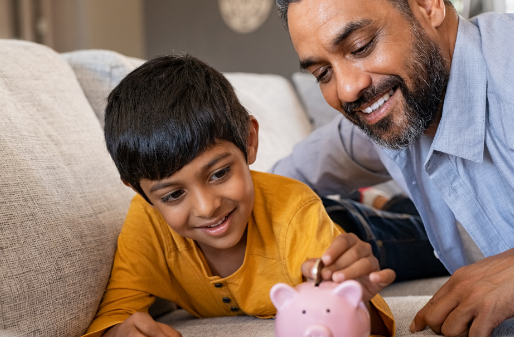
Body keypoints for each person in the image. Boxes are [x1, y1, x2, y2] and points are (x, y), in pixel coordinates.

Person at [273, 0, 514, 335]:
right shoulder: (384, 111)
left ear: (428, 4)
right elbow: (275, 185)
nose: (346, 89)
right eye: (323, 73)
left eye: (360, 46)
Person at [82, 54, 397, 337]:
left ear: (249, 140)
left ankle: (381, 203)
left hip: (346, 226)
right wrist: (119, 332)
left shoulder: (294, 211)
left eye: (219, 174)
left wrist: (355, 298)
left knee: (412, 233)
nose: (208, 207)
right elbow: (115, 314)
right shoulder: (147, 224)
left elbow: (368, 316)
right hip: (301, 215)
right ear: (140, 191)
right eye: (174, 194)